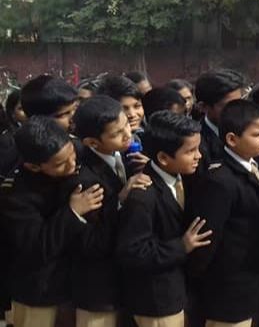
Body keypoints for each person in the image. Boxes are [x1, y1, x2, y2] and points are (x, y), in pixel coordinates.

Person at [0, 117, 103, 327]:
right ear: (34, 166)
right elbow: (36, 247)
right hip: (38, 289)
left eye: (72, 155)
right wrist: (73, 211)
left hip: (77, 284)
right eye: (60, 164)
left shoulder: (72, 149)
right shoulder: (16, 194)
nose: (72, 164)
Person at [116, 111, 212, 327]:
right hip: (155, 300)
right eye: (190, 151)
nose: (198, 156)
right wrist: (181, 246)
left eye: (198, 148)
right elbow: (133, 252)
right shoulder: (143, 195)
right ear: (163, 158)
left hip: (178, 291)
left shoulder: (183, 177)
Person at [72, 96, 153, 327]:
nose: (128, 134)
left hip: (128, 284)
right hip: (99, 288)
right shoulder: (85, 178)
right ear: (92, 143)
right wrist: (120, 199)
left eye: (126, 124)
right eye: (117, 133)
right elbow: (90, 242)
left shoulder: (128, 155)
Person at [188, 99, 259, 326]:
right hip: (227, 289)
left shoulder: (255, 165)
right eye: (256, 134)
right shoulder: (220, 181)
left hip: (252, 283)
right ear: (232, 139)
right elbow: (206, 240)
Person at [193, 69, 246, 181]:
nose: (238, 109)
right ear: (204, 107)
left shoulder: (249, 130)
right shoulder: (197, 145)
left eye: (240, 102)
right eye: (228, 105)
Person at [97, 75, 150, 174]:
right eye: (124, 108)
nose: (133, 114)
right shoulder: (104, 147)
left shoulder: (141, 137)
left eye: (137, 106)